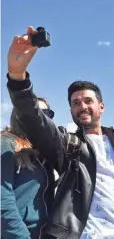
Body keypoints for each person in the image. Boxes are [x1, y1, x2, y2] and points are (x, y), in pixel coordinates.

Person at [6, 26, 114, 239]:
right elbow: (33, 118)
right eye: (76, 103)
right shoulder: (68, 145)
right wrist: (17, 76)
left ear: (101, 106)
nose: (82, 106)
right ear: (71, 110)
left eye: (88, 101)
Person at [1, 98, 56, 239]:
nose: (40, 117)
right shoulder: (6, 143)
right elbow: (2, 200)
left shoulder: (45, 153)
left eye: (46, 113)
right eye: (34, 112)